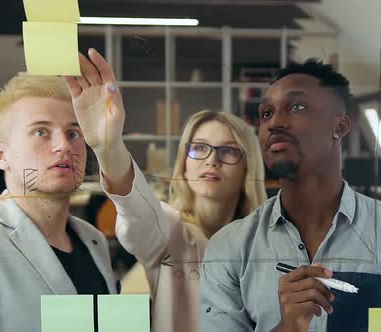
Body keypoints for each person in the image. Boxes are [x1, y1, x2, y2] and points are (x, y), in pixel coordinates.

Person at [200, 59, 381, 332]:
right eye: (266, 113)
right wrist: (287, 328)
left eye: (296, 107)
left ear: (339, 126)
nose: (275, 122)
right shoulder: (229, 250)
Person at [66, 48, 267, 332]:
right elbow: (136, 211)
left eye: (228, 151)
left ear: (248, 167)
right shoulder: (169, 231)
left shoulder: (265, 242)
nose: (212, 159)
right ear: (184, 164)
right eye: (199, 148)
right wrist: (108, 146)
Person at [0, 73, 117, 331]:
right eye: (41, 132)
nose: (63, 146)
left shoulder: (94, 240)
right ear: (2, 156)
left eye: (73, 133)